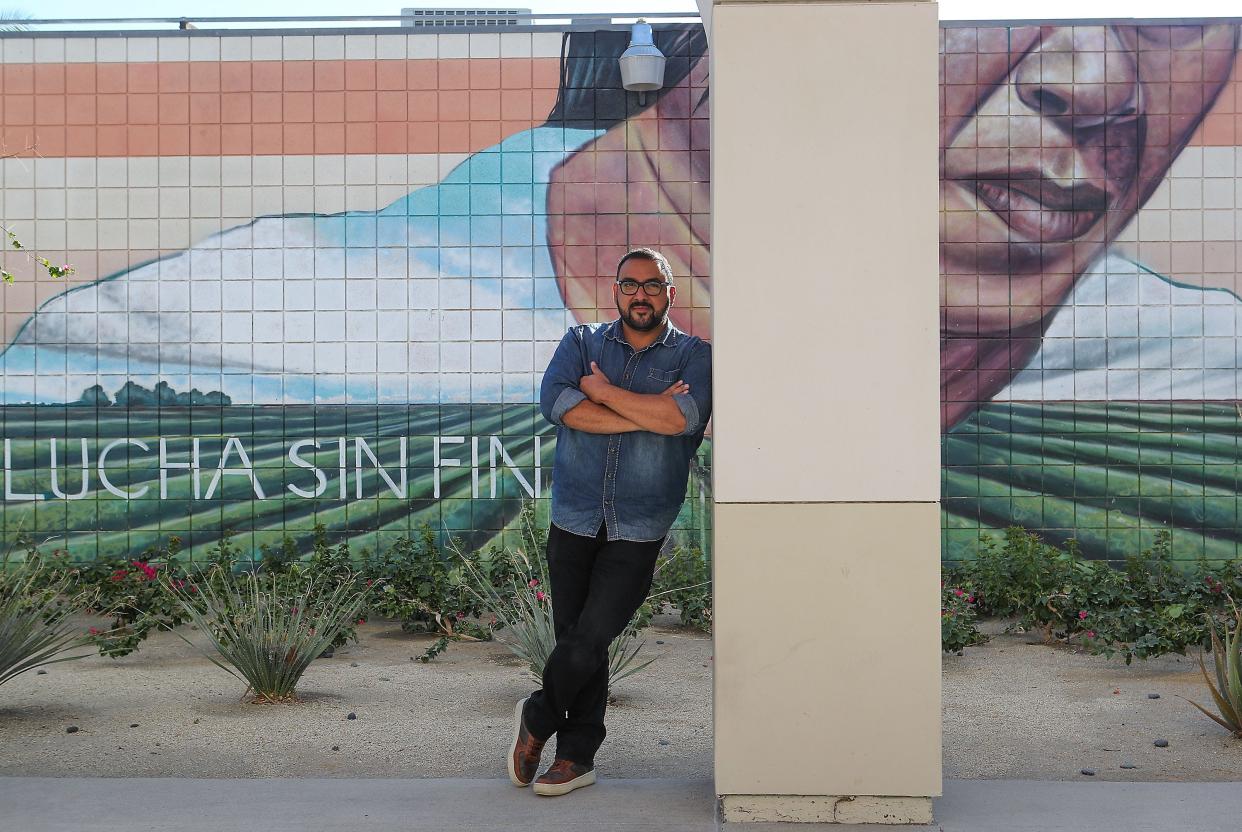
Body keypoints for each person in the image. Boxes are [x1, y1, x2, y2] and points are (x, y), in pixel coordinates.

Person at [508, 247, 711, 796]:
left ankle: (537, 716)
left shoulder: (696, 356)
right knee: (577, 638)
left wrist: (599, 392)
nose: (639, 294)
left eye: (652, 285)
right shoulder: (581, 342)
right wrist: (642, 411)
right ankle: (577, 758)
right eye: (629, 284)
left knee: (593, 633)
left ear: (670, 293)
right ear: (616, 291)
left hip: (640, 525)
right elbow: (558, 404)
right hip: (573, 516)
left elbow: (681, 420)